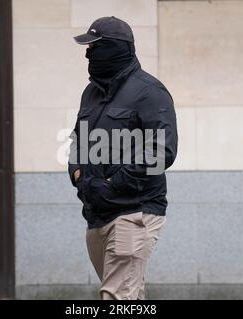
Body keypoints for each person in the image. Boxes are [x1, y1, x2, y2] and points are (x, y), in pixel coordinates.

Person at [68, 16, 178, 300]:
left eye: (93, 47)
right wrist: (79, 177)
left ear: (113, 49)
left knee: (117, 296)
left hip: (134, 212)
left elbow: (161, 152)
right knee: (129, 293)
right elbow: (77, 142)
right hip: (96, 215)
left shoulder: (149, 92)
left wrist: (112, 184)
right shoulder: (90, 94)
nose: (87, 53)